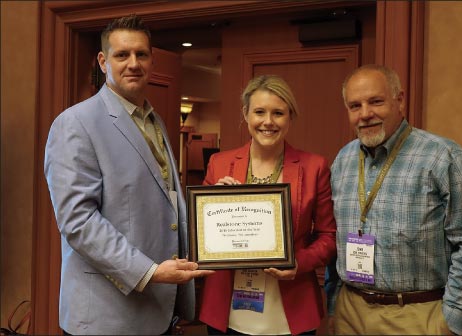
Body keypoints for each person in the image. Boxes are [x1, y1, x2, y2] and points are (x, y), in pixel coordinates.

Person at [44, 15, 213, 335]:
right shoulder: (75, 123)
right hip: (107, 317)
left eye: (142, 54)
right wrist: (149, 272)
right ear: (103, 61)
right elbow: (78, 222)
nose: (133, 63)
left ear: (152, 60)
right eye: (122, 55)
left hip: (157, 312)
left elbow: (163, 202)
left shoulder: (155, 120)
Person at [328, 64, 462, 335]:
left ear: (399, 100)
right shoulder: (342, 160)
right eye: (355, 106)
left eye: (376, 102)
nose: (365, 114)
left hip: (416, 315)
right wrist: (334, 306)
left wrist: (452, 318)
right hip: (349, 311)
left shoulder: (444, 157)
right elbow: (334, 238)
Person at [198, 75, 337, 335]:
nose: (268, 122)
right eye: (259, 112)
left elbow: (328, 238)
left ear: (290, 117)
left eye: (278, 113)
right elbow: (200, 237)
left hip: (290, 310)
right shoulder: (219, 164)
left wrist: (298, 262)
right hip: (227, 311)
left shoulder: (313, 167)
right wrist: (211, 206)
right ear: (246, 114)